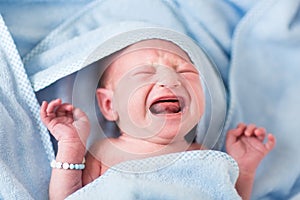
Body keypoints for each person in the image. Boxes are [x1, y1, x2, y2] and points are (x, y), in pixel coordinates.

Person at [40, 39, 276, 200]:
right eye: (144, 73)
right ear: (110, 105)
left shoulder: (203, 156)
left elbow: (227, 195)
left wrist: (244, 169)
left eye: (185, 71)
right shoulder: (103, 153)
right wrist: (71, 146)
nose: (171, 80)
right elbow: (67, 197)